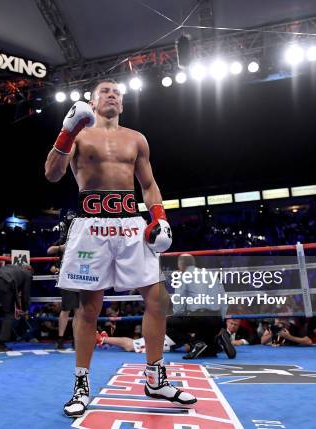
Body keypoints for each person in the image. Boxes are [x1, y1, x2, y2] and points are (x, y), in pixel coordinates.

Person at [45, 79, 196, 418]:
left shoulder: (136, 139)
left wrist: (158, 216)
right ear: (92, 100)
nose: (112, 95)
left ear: (123, 103)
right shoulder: (80, 134)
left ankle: (155, 377)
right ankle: (81, 385)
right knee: (89, 308)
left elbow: (149, 184)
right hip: (90, 224)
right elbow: (52, 174)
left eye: (117, 93)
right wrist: (66, 132)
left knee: (158, 298)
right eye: (105, 92)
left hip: (130, 224)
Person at [48, 211, 80, 350]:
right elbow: (49, 250)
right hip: (67, 276)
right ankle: (60, 339)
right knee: (66, 309)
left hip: (81, 276)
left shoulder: (82, 238)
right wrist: (62, 248)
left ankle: (76, 339)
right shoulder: (63, 239)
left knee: (79, 310)